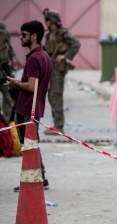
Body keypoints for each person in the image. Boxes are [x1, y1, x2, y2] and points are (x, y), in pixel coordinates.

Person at [3, 21, 52, 191]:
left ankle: (32, 180)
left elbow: (31, 86)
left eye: (23, 34)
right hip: (34, 107)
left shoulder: (34, 58)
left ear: (34, 36)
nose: (20, 37)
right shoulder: (45, 56)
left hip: (26, 109)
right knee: (32, 144)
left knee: (29, 146)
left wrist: (16, 84)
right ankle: (41, 177)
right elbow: (45, 85)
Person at [43, 8, 81, 135]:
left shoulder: (62, 33)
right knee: (50, 95)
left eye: (47, 20)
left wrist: (65, 56)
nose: (46, 22)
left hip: (58, 69)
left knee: (56, 95)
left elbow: (76, 43)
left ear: (52, 20)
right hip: (50, 67)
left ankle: (59, 126)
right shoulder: (49, 35)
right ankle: (56, 124)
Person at [0, 20, 19, 123]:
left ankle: (7, 122)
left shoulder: (5, 41)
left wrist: (14, 58)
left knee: (8, 97)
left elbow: (10, 50)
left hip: (4, 72)